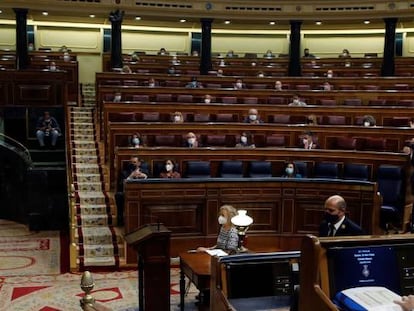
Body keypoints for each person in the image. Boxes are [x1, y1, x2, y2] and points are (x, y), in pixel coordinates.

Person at [115, 156, 149, 226]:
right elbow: (121, 185)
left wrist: (144, 176)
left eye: (134, 162)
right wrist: (130, 176)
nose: (132, 164)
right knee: (119, 195)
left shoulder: (146, 171)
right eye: (131, 162)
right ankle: (120, 221)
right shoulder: (124, 172)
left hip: (143, 193)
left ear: (139, 163)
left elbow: (152, 181)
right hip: (128, 193)